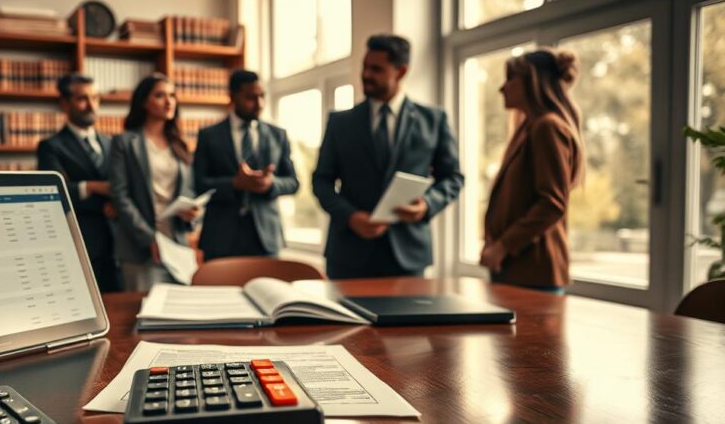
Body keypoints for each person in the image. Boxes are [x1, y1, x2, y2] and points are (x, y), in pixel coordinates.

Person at [312, 34, 464, 279]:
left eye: (376, 69)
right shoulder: (340, 122)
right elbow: (321, 181)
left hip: (408, 255)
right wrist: (351, 217)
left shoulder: (434, 120)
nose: (366, 75)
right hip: (348, 256)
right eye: (365, 66)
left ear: (401, 71)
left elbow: (453, 178)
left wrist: (426, 206)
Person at [480, 48, 584, 293]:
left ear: (532, 81)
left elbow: (552, 203)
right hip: (515, 270)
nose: (502, 88)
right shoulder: (528, 128)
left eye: (510, 79)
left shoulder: (547, 127)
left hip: (533, 273)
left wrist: (503, 246)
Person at [108, 74, 201, 292]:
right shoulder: (124, 143)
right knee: (143, 317)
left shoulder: (180, 145)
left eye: (172, 95)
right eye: (160, 95)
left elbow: (189, 191)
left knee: (181, 317)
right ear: (143, 102)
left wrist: (191, 214)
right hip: (140, 249)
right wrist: (149, 238)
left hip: (177, 246)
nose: (169, 102)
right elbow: (120, 196)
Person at [193, 69, 299, 261]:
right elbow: (198, 184)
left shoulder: (278, 135)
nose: (259, 104)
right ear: (232, 97)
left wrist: (270, 184)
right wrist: (234, 184)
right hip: (220, 238)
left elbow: (293, 182)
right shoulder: (208, 136)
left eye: (262, 96)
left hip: (266, 238)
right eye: (251, 97)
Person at [37, 73, 122, 292]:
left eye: (95, 98)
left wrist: (115, 202)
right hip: (82, 243)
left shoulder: (112, 142)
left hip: (120, 245)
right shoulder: (51, 146)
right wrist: (94, 187)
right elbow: (55, 194)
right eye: (82, 99)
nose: (91, 105)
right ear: (64, 103)